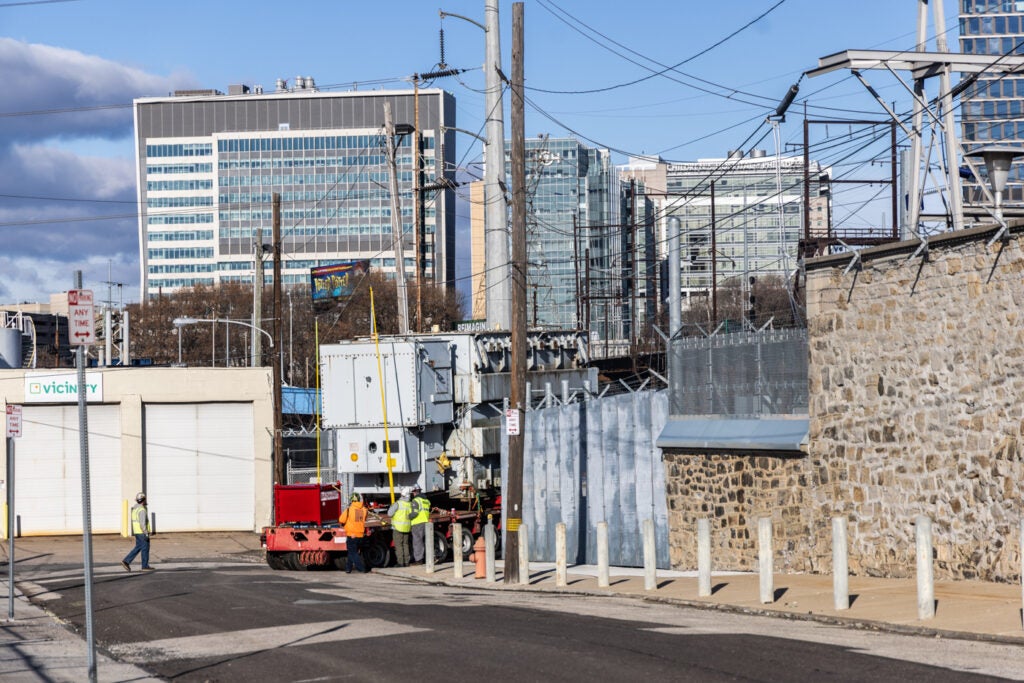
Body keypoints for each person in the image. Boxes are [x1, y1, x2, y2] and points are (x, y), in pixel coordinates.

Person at [121, 492, 153, 572]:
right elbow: (142, 524)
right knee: (145, 548)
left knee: (138, 547)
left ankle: (126, 561)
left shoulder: (135, 509)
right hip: (142, 532)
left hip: (137, 532)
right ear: (143, 500)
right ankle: (144, 566)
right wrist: (146, 532)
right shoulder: (142, 510)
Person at [339, 492, 369, 573]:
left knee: (353, 552)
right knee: (352, 552)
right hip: (360, 535)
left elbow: (341, 520)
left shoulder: (349, 510)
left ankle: (361, 568)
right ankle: (348, 568)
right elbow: (364, 519)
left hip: (352, 534)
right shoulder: (364, 510)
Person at [387, 486, 414, 567]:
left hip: (397, 528)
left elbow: (389, 514)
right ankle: (406, 562)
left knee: (398, 546)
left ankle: (400, 562)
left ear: (402, 495)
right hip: (407, 528)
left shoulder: (398, 504)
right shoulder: (410, 504)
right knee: (405, 545)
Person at [410, 485, 431, 564]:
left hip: (417, 523)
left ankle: (419, 560)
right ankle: (430, 557)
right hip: (425, 521)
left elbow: (415, 513)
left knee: (417, 542)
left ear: (415, 492)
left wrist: (408, 516)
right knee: (426, 541)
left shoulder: (416, 500)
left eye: (413, 492)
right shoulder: (426, 500)